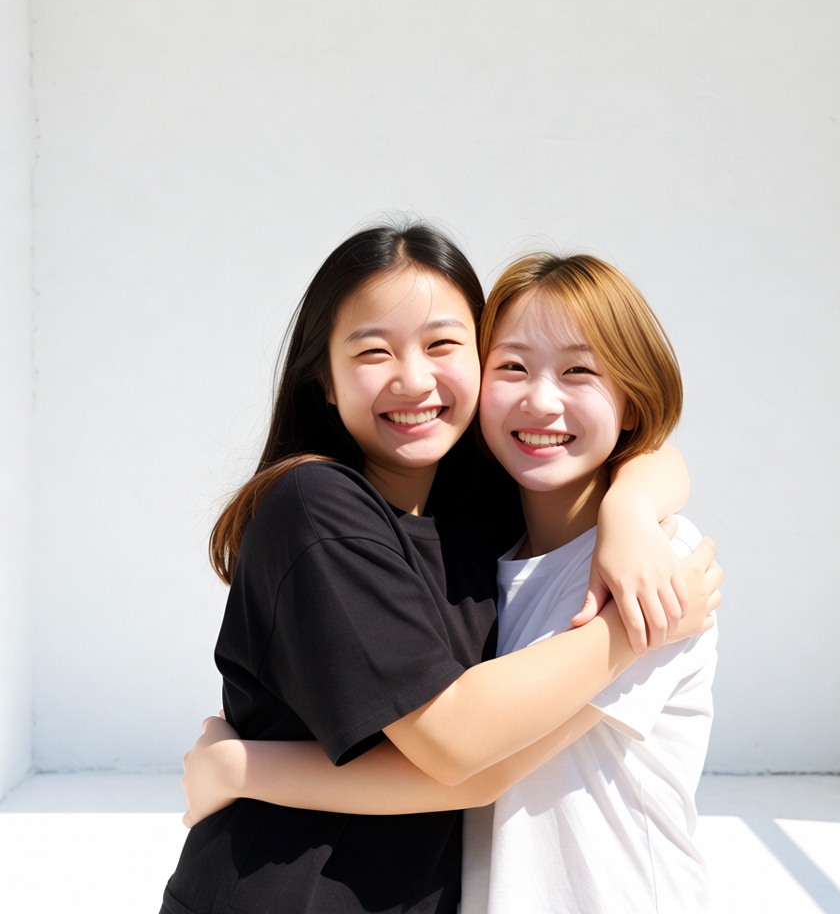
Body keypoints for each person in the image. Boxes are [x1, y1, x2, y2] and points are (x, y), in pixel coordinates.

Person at [174, 244, 722, 913]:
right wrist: (633, 628)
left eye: (442, 344)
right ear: (324, 378)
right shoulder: (328, 508)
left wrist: (631, 508)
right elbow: (463, 751)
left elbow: (635, 443)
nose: (412, 379)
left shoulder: (605, 550)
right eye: (374, 351)